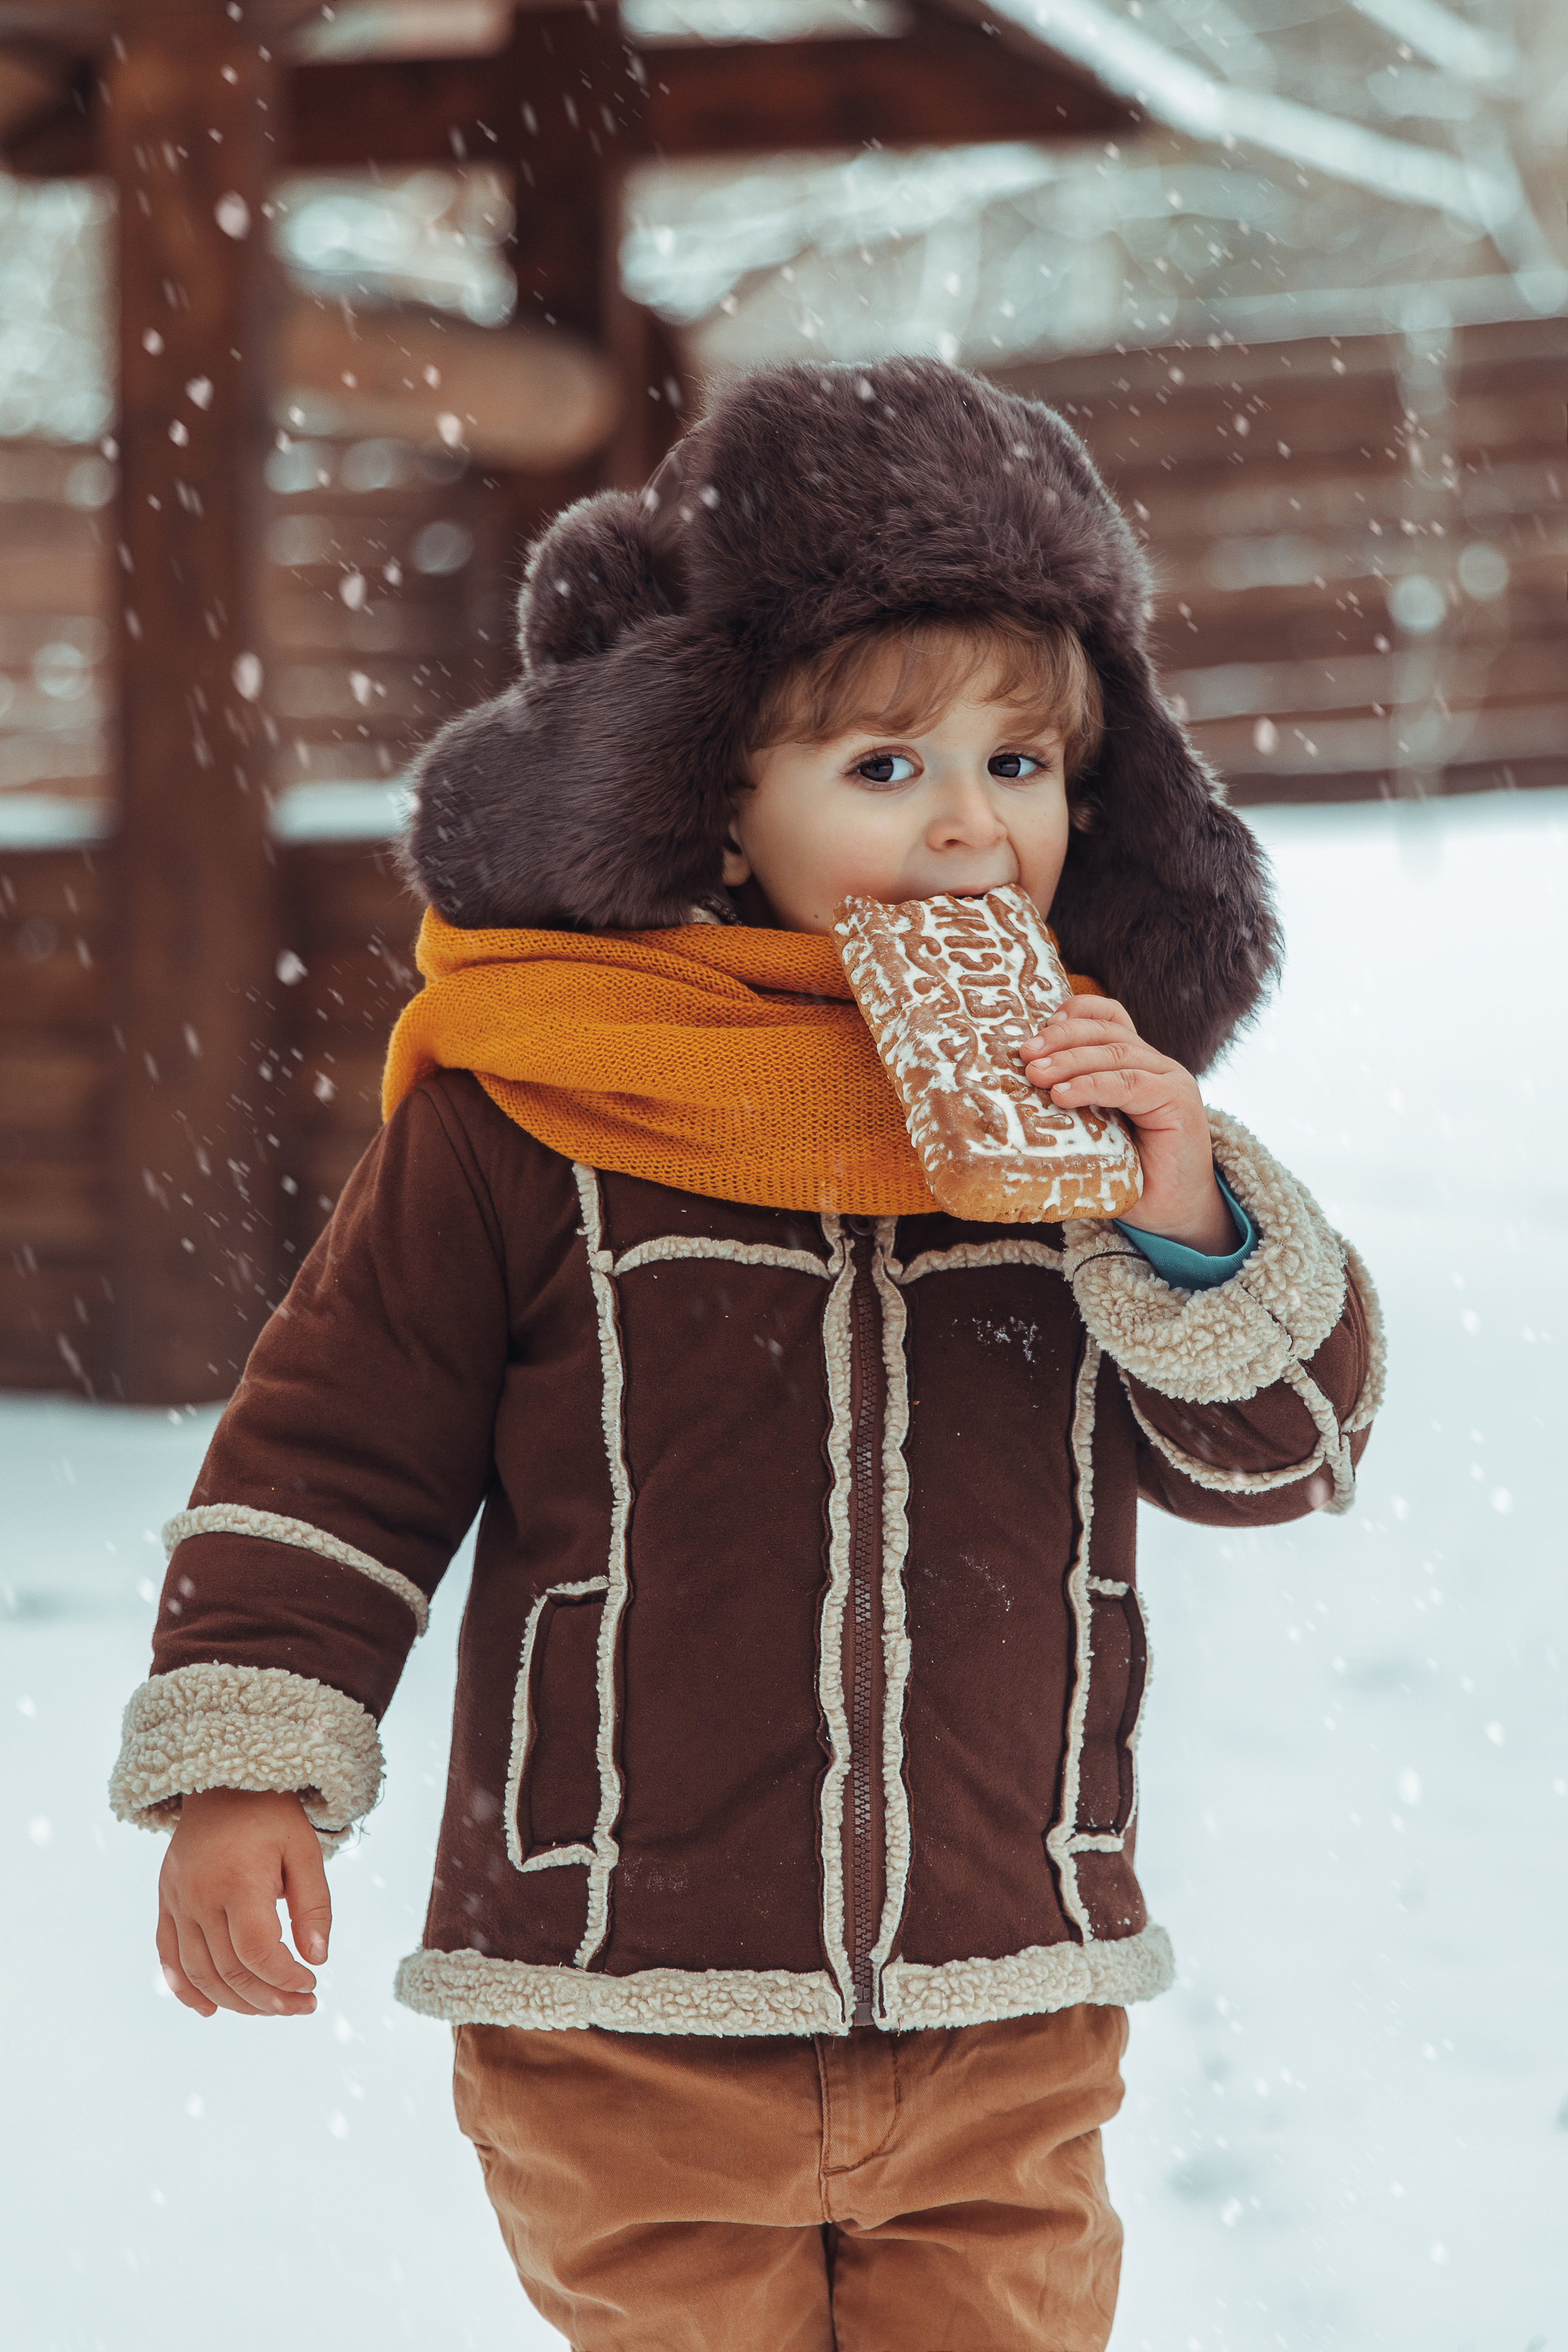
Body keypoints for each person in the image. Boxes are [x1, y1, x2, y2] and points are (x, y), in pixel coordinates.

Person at [111, 358, 1382, 2351]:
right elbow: (333, 1455)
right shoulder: (538, 1102)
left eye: (1022, 769)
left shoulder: (1087, 1114)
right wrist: (248, 1767)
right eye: (884, 771)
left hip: (1003, 1995)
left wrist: (1181, 1205)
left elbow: (1284, 1454)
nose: (970, 830)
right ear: (717, 796)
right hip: (625, 1999)